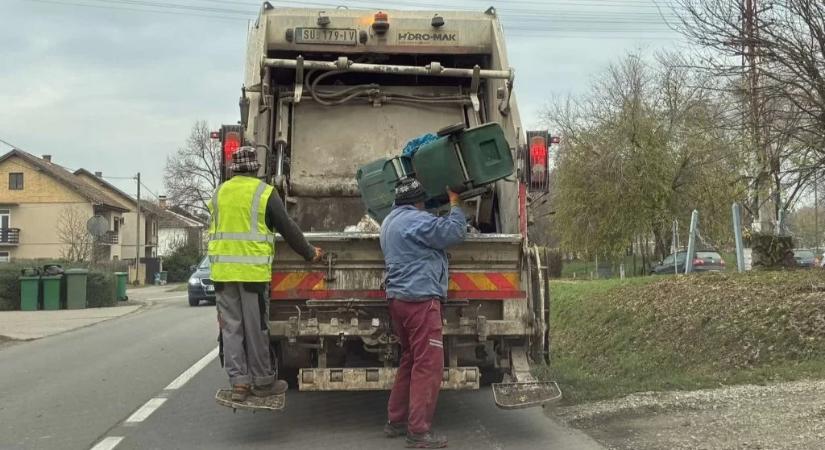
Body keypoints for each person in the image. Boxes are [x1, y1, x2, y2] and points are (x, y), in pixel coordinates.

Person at [208, 147, 323, 402]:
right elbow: (287, 228)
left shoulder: (218, 193)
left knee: (231, 329)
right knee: (256, 328)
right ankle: (262, 382)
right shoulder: (264, 193)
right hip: (251, 274)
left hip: (222, 273)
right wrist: (309, 253)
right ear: (256, 169)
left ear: (233, 169)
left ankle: (239, 383)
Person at [379, 178, 466, 449]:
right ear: (418, 202)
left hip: (399, 300)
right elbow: (454, 233)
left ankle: (396, 421)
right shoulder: (416, 221)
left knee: (410, 359)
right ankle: (418, 431)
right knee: (428, 365)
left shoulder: (389, 221)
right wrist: (455, 202)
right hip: (420, 300)